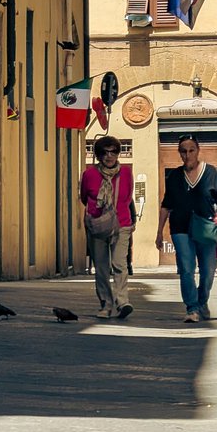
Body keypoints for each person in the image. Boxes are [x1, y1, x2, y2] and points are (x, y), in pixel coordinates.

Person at [156, 134, 217, 323]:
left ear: (197, 150)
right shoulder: (175, 176)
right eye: (183, 151)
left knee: (208, 270)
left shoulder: (210, 172)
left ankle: (202, 302)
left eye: (191, 150)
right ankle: (192, 308)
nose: (187, 154)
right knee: (186, 268)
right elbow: (166, 204)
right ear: (179, 153)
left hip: (206, 227)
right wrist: (159, 231)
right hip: (180, 227)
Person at [79, 135, 135, 319]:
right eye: (105, 152)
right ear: (98, 155)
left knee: (119, 264)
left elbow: (127, 197)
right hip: (97, 226)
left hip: (122, 224)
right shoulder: (89, 174)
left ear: (118, 154)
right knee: (101, 268)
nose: (109, 156)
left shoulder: (126, 172)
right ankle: (106, 304)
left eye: (113, 152)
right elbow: (85, 197)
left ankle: (123, 302)